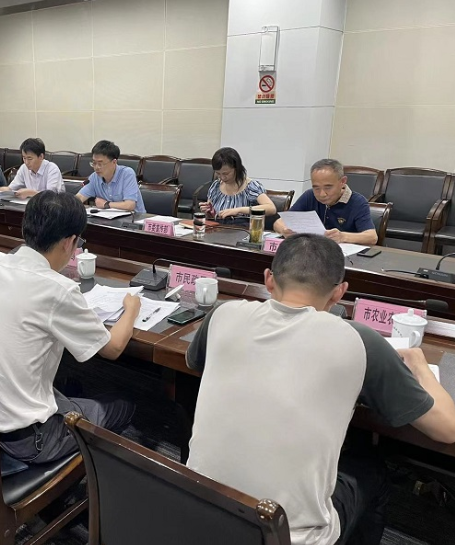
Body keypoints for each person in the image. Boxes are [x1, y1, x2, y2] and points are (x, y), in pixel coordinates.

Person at [186, 234, 455, 545]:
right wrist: (420, 365)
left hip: (197, 509)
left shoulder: (222, 314)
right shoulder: (360, 340)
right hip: (288, 537)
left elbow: (195, 362)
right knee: (371, 471)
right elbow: (447, 429)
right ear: (339, 292)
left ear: (269, 279)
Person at [0, 191, 140, 464]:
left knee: (65, 386)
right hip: (26, 440)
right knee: (124, 406)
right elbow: (112, 349)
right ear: (69, 242)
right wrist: (132, 308)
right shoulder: (58, 289)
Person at [274, 159, 378, 245]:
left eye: (328, 187)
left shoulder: (357, 202)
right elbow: (278, 223)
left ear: (342, 181)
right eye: (316, 188)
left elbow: (372, 237)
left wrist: (343, 236)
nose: (322, 194)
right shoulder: (309, 195)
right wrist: (284, 230)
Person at [199, 147, 275, 223]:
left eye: (226, 173)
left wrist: (239, 210)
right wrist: (208, 212)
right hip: (219, 228)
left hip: (242, 229)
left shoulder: (251, 187)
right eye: (218, 173)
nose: (222, 177)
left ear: (237, 168)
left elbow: (271, 208)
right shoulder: (215, 186)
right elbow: (212, 217)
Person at [77, 140, 146, 213]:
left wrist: (106, 204)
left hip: (135, 218)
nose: (96, 167)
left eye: (100, 164)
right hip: (108, 217)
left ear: (114, 162)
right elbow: (80, 197)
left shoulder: (127, 174)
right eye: (94, 163)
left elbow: (130, 205)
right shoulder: (94, 177)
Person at [0, 138, 64, 198]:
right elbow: (11, 189)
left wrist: (30, 193)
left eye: (29, 158)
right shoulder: (24, 168)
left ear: (41, 156)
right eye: (24, 158)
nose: (26, 162)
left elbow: (51, 196)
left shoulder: (52, 169)